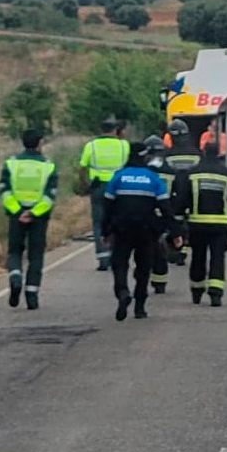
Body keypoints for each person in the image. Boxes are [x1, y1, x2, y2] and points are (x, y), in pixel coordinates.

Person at [102, 143, 181, 321]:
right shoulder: (153, 179)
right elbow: (166, 209)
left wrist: (105, 231)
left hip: (122, 229)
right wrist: (176, 233)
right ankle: (139, 306)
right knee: (144, 267)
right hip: (147, 230)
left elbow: (107, 207)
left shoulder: (118, 177)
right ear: (145, 158)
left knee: (119, 263)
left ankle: (122, 291)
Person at [173, 142, 227, 306]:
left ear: (203, 153)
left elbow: (183, 199)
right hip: (221, 225)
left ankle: (197, 291)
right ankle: (216, 293)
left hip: (197, 224)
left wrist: (179, 215)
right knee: (218, 257)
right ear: (218, 154)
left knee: (198, 256)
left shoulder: (192, 173)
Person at [0, 129, 57, 310]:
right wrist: (33, 213)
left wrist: (18, 211)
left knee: (14, 251)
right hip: (38, 217)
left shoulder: (11, 164)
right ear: (40, 143)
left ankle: (15, 278)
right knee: (36, 255)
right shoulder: (48, 166)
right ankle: (32, 294)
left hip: (16, 215)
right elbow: (50, 196)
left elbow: (4, 190)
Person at [79, 118, 130, 271]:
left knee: (98, 222)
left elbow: (82, 168)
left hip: (98, 187)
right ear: (116, 130)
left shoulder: (91, 146)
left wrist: (86, 184)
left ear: (101, 129)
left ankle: (102, 258)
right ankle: (117, 254)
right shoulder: (123, 145)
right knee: (118, 221)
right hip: (118, 187)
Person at [163, 118, 202, 266]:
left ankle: (178, 249)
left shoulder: (168, 155)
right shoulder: (196, 153)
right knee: (191, 222)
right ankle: (184, 248)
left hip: (175, 194)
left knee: (177, 221)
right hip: (194, 192)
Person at [143, 135, 178, 294]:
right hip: (165, 214)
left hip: (146, 215)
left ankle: (151, 279)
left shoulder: (144, 171)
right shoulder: (171, 171)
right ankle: (160, 282)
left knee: (147, 248)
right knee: (159, 249)